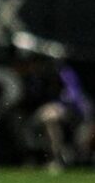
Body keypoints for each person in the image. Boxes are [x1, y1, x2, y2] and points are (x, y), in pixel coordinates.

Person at [6, 32, 93, 172]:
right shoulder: (32, 77)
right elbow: (32, 100)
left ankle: (56, 159)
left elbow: (73, 99)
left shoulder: (61, 72)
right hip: (50, 112)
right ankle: (31, 156)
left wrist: (57, 106)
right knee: (18, 116)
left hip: (77, 114)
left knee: (48, 115)